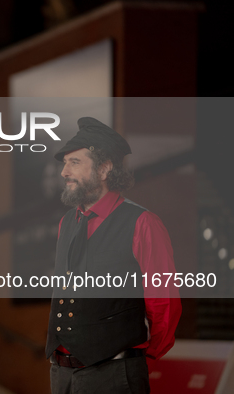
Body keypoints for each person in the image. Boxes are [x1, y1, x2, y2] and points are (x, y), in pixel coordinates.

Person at [45, 117, 182, 394]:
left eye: (74, 162)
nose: (64, 172)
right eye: (64, 163)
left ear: (105, 168)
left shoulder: (143, 223)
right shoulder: (66, 222)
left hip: (113, 374)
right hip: (61, 374)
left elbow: (163, 301)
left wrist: (134, 358)